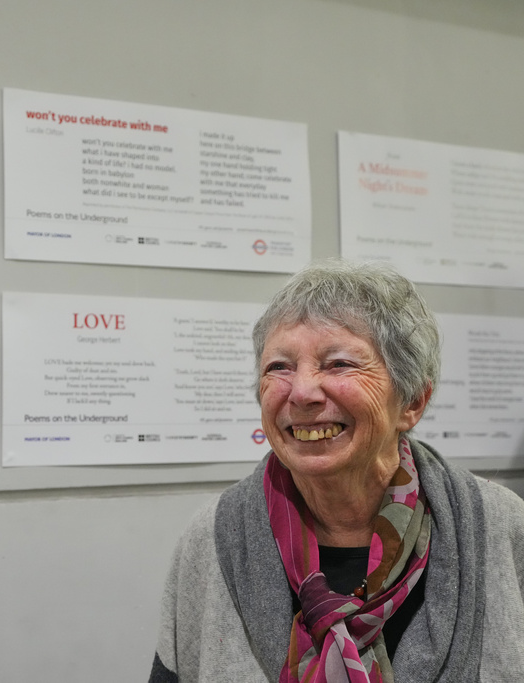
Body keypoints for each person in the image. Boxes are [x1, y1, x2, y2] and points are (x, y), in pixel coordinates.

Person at [148, 260, 524, 682]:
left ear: (412, 402)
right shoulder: (213, 539)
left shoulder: (501, 527)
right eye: (279, 367)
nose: (302, 392)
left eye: (339, 363)